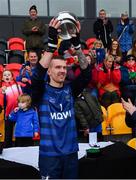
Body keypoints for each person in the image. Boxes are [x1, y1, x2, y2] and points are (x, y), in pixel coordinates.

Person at [31, 18, 91, 179]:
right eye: (58, 67)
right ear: (48, 71)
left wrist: (78, 47)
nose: (63, 71)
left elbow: (86, 74)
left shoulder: (70, 90)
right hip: (49, 156)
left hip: (71, 154)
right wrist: (51, 46)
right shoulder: (40, 92)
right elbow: (36, 76)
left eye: (64, 67)